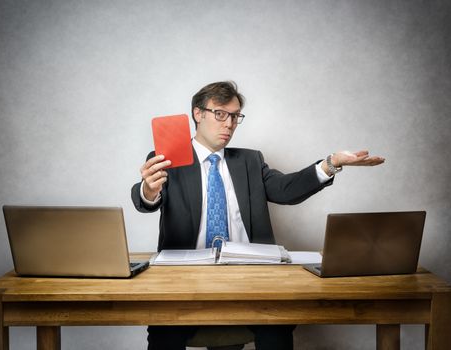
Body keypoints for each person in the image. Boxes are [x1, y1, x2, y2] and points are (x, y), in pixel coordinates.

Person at [131, 81, 384, 350]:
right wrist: (150, 189)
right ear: (198, 113)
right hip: (185, 281)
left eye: (235, 116)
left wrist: (331, 163)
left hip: (250, 280)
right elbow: (144, 200)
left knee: (278, 327)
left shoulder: (249, 161)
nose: (229, 124)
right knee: (163, 333)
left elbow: (286, 190)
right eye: (220, 114)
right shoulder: (168, 158)